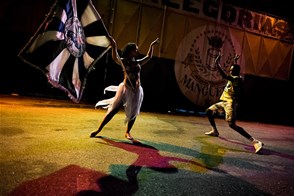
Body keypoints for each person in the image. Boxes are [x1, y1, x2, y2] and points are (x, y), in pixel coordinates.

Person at [90, 36, 160, 140]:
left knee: (133, 112)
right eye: (135, 49)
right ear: (130, 50)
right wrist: (114, 45)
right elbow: (114, 58)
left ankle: (128, 132)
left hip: (136, 90)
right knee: (113, 110)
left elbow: (149, 57)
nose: (137, 51)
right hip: (125, 89)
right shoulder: (124, 61)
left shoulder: (137, 62)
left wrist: (152, 45)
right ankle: (99, 129)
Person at [204, 53, 264, 154]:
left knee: (232, 125)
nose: (230, 71)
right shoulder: (235, 77)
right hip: (223, 102)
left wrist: (217, 63)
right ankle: (215, 131)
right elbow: (233, 71)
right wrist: (235, 62)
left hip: (230, 103)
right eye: (230, 70)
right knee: (209, 111)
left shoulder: (237, 79)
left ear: (235, 72)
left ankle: (256, 142)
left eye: (232, 70)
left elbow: (224, 75)